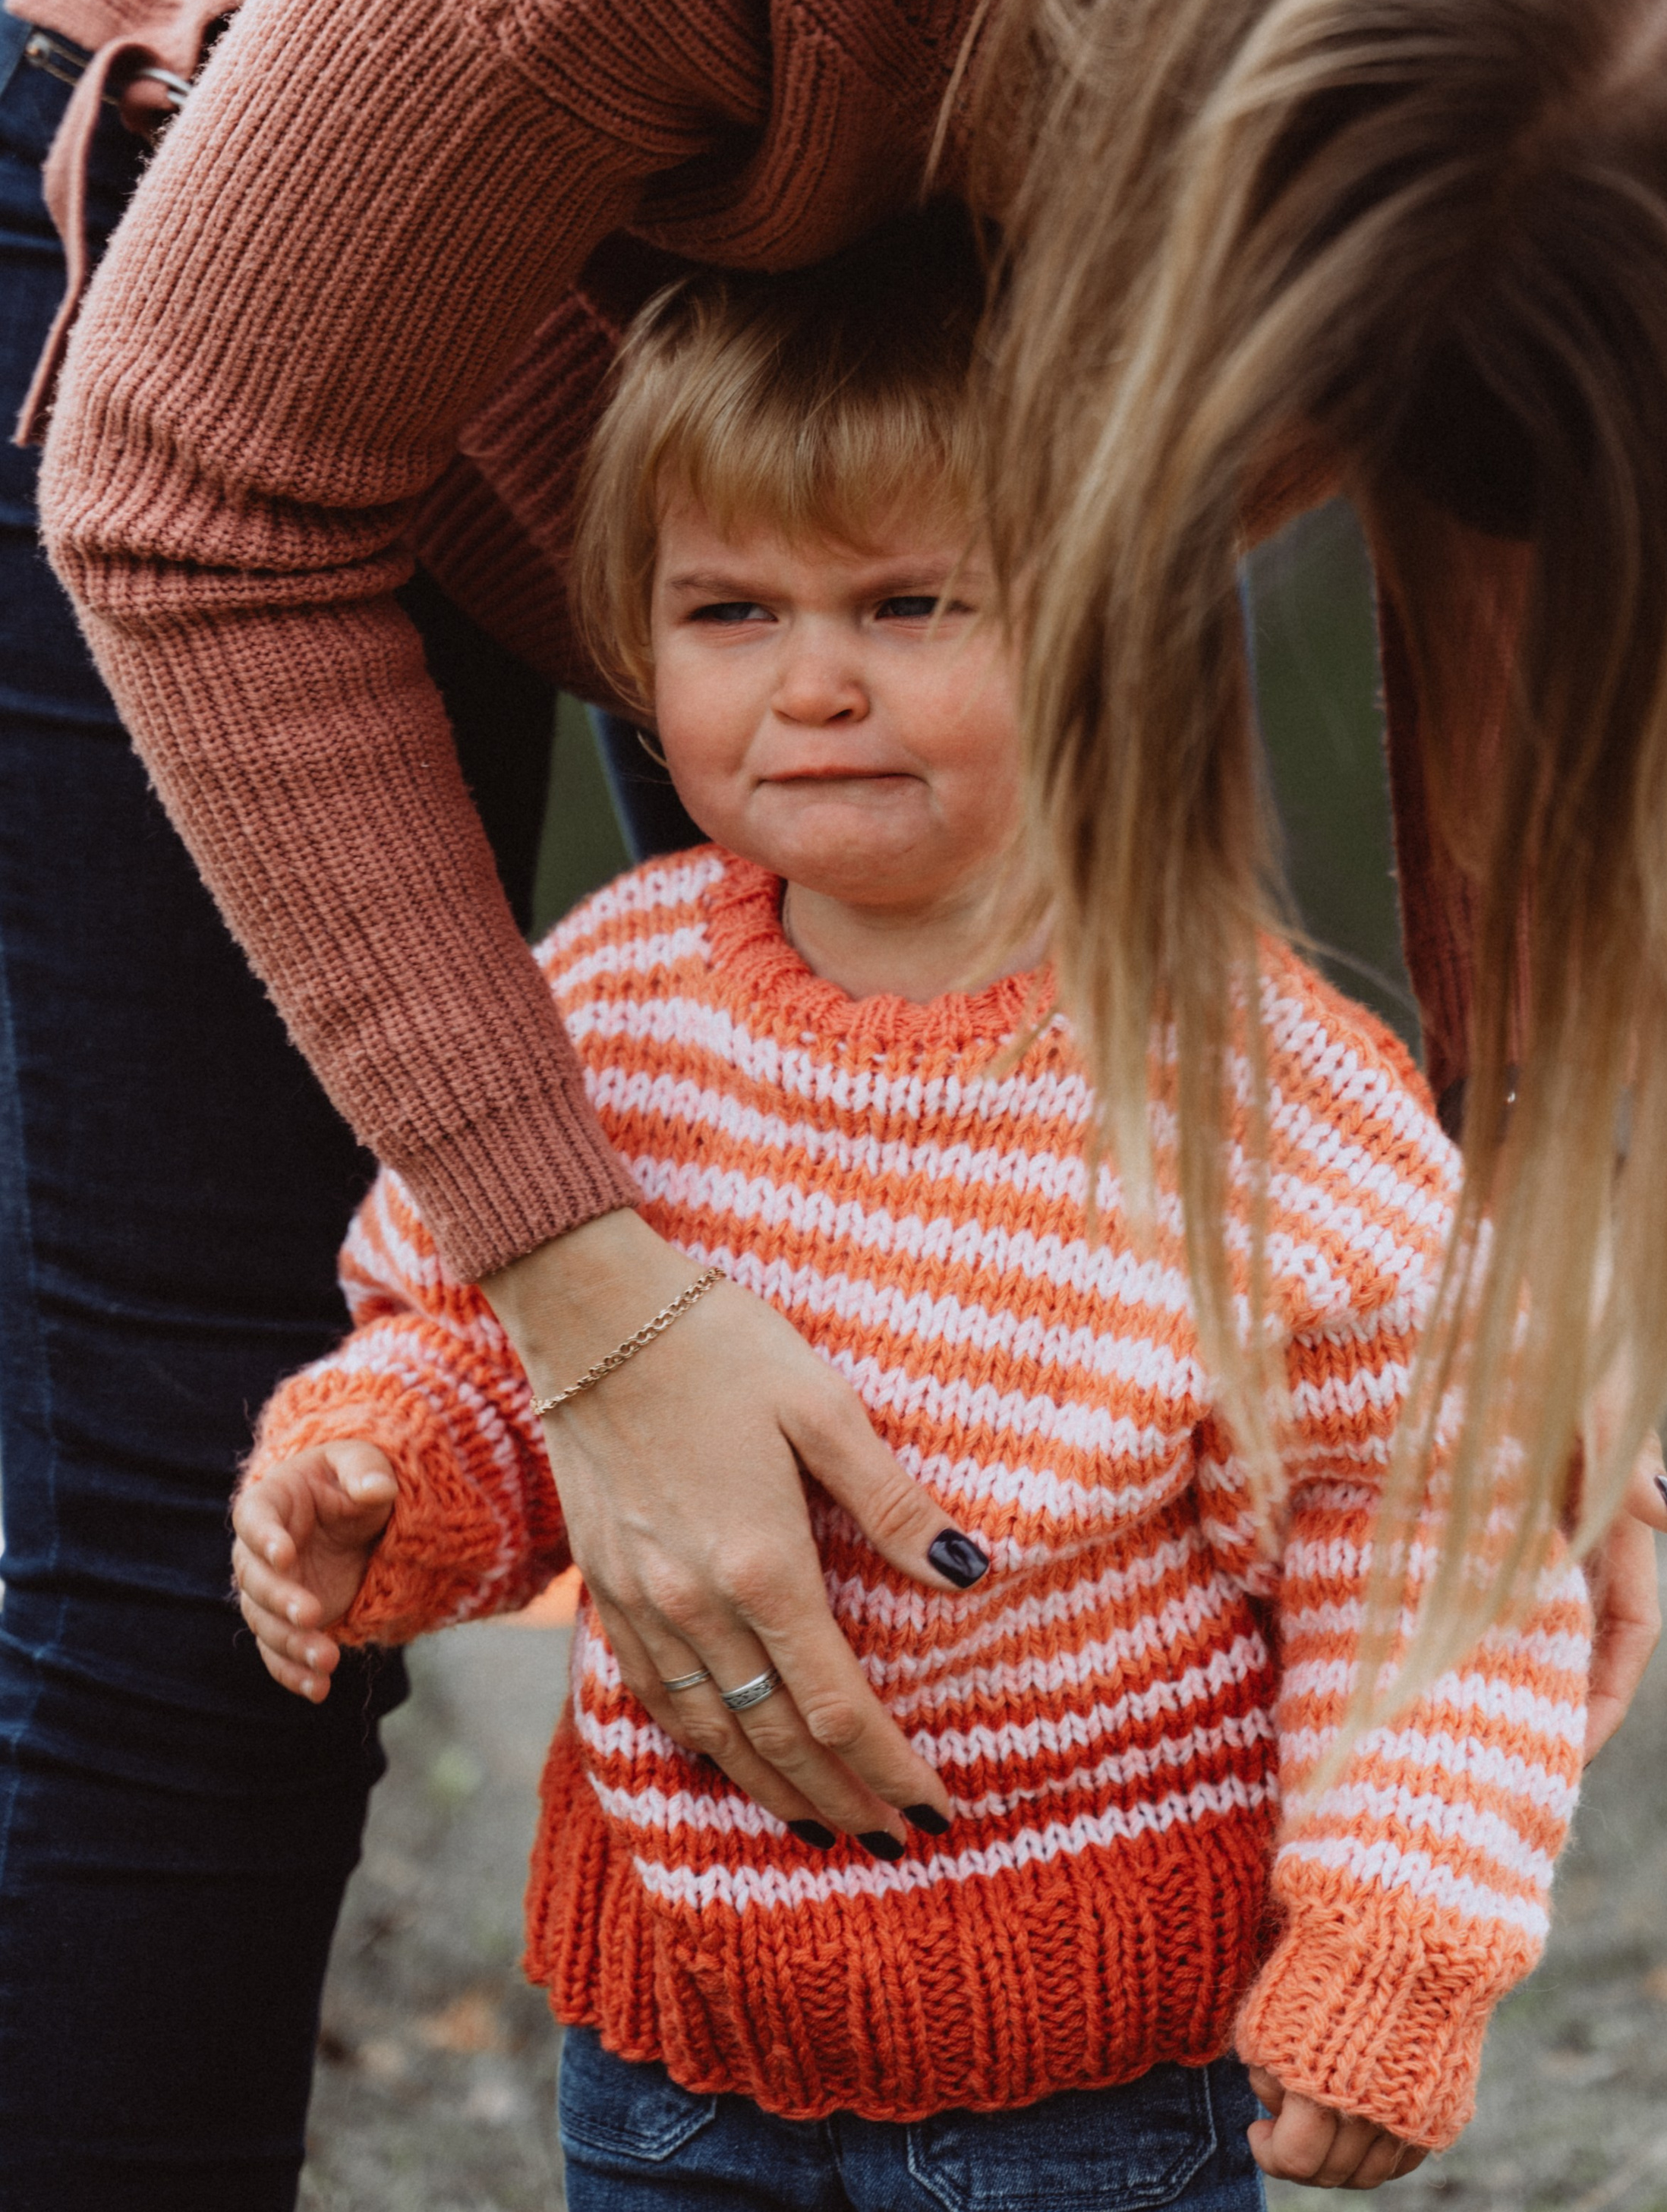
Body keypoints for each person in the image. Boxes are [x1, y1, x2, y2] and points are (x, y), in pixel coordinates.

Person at [0, 0, 1667, 2195]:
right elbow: (190, 490)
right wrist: (591, 1292)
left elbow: (1547, 576)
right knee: (196, 1587)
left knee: (949, 1403)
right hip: (255, 229)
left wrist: (1530, 1321)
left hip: (874, 414)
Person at [232, 229, 1590, 2201]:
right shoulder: (599, 1002)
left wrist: (1393, 1946)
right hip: (670, 2050)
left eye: (909, 602)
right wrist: (385, 1476)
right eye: (728, 610)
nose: (812, 685)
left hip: (1086, 2090)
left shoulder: (1260, 1096)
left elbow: (1433, 1534)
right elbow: (492, 1351)